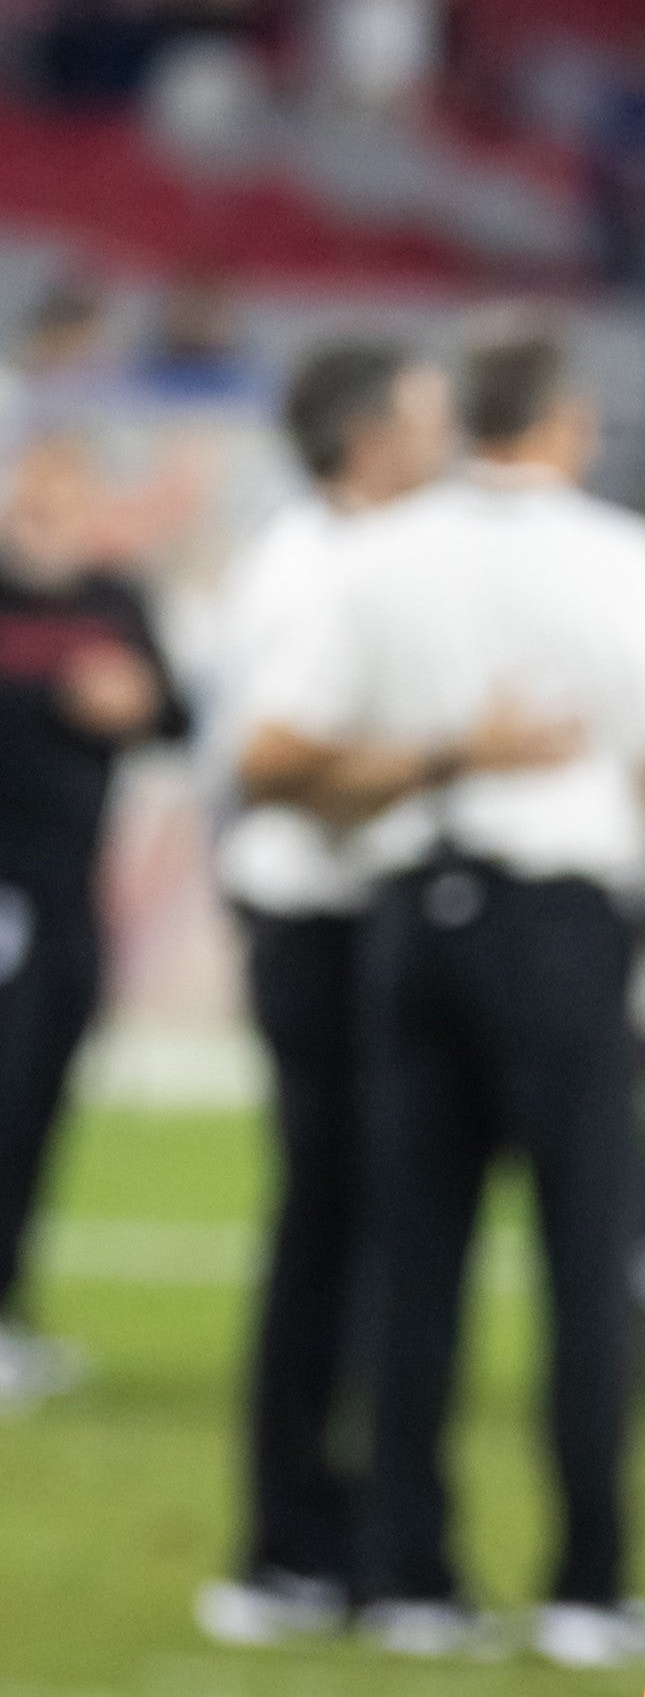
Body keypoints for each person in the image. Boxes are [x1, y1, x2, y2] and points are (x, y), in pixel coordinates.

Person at [244, 330, 645, 1666]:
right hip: (560, 929)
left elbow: (272, 759)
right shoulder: (621, 557)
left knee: (414, 1265)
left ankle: (411, 1574)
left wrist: (435, 761)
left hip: (411, 920)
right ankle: (585, 1580)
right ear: (568, 419)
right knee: (587, 1265)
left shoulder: (385, 551)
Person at [193, 340, 452, 1645]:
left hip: (338, 913)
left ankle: (321, 1531)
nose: (441, 440)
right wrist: (447, 759)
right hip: (320, 919)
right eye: (421, 416)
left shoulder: (339, 549)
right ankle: (287, 1538)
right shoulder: (326, 561)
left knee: (352, 1235)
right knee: (330, 1235)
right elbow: (274, 759)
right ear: (366, 435)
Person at [0, 430, 186, 1403]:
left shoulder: (116, 604)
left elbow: (176, 715)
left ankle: (6, 1305)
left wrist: (137, 701)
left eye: (66, 498)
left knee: (31, 1106)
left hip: (68, 895)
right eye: (35, 496)